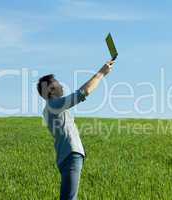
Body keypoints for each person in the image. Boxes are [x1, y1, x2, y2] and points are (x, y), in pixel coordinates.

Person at [37, 60, 115, 200]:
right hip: (71, 155)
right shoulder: (54, 104)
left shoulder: (49, 109)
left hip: (67, 156)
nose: (61, 85)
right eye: (57, 83)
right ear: (50, 90)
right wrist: (102, 73)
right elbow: (83, 92)